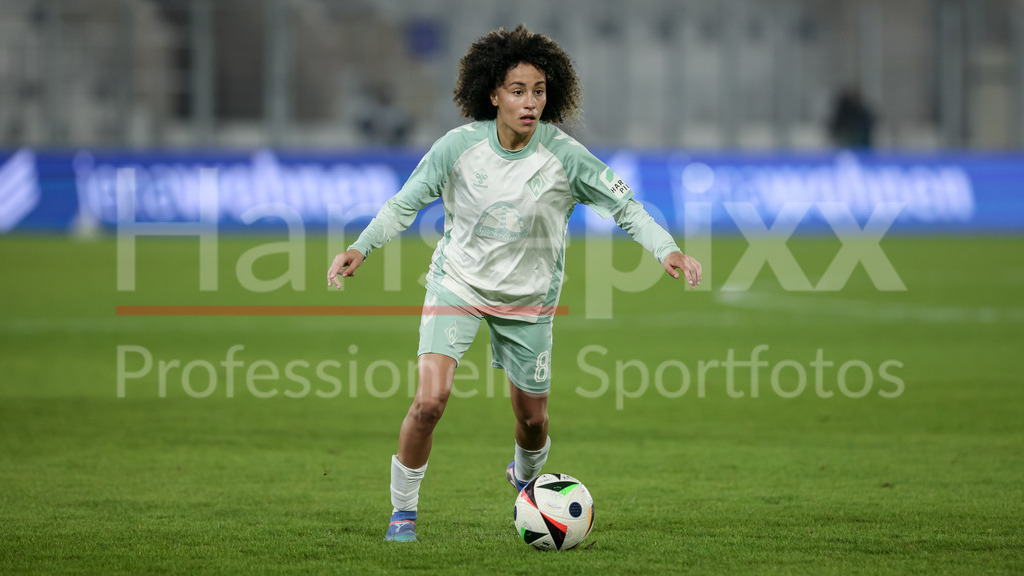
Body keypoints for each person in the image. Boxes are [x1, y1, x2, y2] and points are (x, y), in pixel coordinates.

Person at [326, 24, 702, 543]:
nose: (530, 102)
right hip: (457, 286)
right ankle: (403, 514)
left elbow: (627, 206)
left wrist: (667, 249)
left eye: (539, 91)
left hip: (529, 302)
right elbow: (403, 204)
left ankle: (526, 480)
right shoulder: (457, 148)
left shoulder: (567, 156)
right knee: (429, 402)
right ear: (493, 95)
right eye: (518, 91)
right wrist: (361, 246)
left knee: (533, 422)